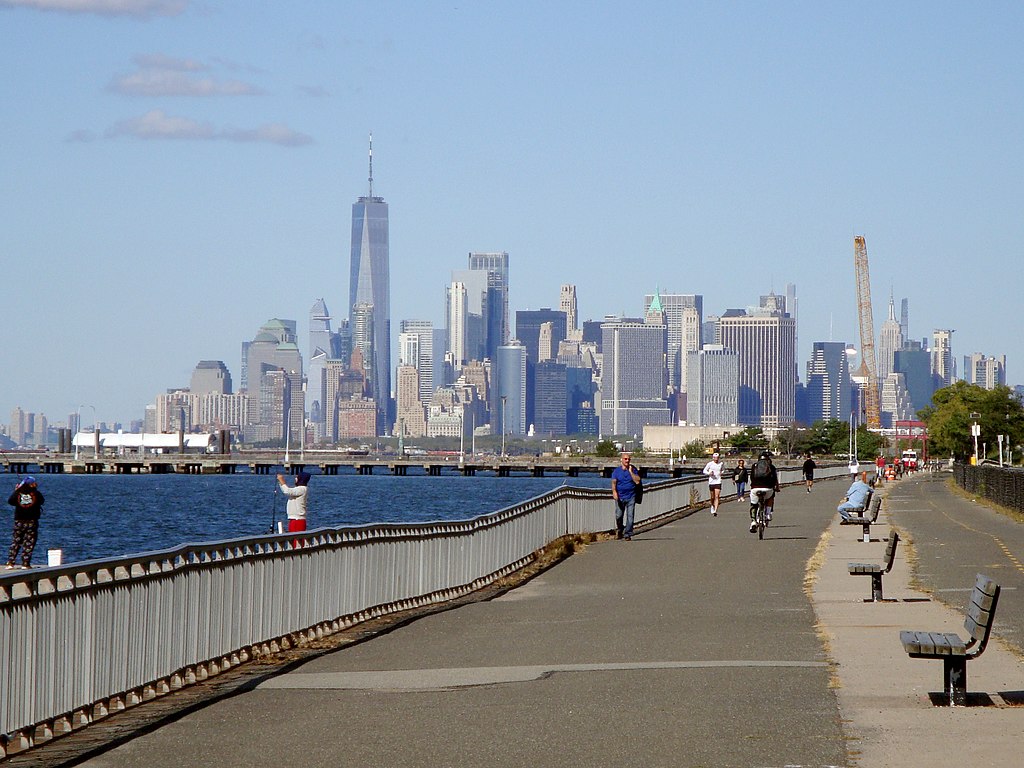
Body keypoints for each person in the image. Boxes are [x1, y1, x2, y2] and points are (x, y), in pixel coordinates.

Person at [6, 476, 43, 570]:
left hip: (19, 520)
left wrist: (16, 490)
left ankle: (10, 562)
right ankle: (25, 563)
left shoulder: (18, 493)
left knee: (16, 541)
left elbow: (10, 501)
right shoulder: (36, 493)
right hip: (31, 521)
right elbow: (42, 501)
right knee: (29, 542)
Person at [611, 452, 641, 540]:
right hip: (620, 497)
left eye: (629, 459)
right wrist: (614, 492)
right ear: (621, 460)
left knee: (630, 517)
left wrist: (631, 472)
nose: (627, 461)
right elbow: (613, 482)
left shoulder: (633, 469)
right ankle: (620, 529)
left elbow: (637, 481)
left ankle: (627, 534)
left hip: (631, 496)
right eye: (625, 459)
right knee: (618, 515)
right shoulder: (616, 471)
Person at [748, 451, 780, 533]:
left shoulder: (754, 466)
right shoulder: (771, 467)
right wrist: (776, 487)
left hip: (755, 488)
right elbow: (775, 478)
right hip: (768, 488)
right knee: (770, 497)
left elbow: (751, 477)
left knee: (753, 504)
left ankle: (753, 522)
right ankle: (768, 514)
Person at [277, 471, 311, 536]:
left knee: (296, 541)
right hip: (294, 519)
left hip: (297, 520)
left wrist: (282, 480)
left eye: (297, 477)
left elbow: (287, 491)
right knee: (294, 540)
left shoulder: (302, 489)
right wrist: (280, 482)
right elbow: (287, 491)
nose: (295, 479)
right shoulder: (299, 489)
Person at [702, 451, 724, 516]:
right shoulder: (710, 464)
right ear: (713, 458)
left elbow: (723, 470)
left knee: (717, 496)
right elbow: (704, 470)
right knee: (712, 496)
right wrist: (709, 473)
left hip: (718, 481)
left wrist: (721, 473)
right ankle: (712, 505)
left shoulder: (721, 464)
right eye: (715, 458)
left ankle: (715, 511)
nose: (716, 459)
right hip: (711, 481)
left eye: (717, 458)